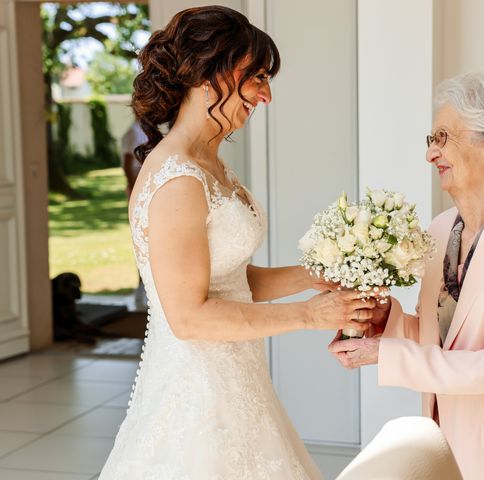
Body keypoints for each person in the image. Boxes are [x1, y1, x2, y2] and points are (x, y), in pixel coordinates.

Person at [99, 6, 374, 479]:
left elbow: (228, 282)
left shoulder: (212, 163)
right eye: (258, 78)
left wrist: (311, 277)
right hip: (199, 395)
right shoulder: (178, 180)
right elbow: (189, 316)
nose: (266, 95)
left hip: (238, 377)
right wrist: (309, 314)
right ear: (210, 74)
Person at [329, 73, 484, 480]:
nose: (431, 155)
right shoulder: (438, 230)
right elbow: (449, 342)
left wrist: (386, 355)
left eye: (443, 138)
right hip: (447, 449)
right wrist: (388, 325)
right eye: (430, 140)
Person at [121, 120, 148, 310]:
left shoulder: (154, 130)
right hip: (141, 193)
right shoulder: (132, 133)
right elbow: (127, 163)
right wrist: (135, 191)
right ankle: (142, 289)